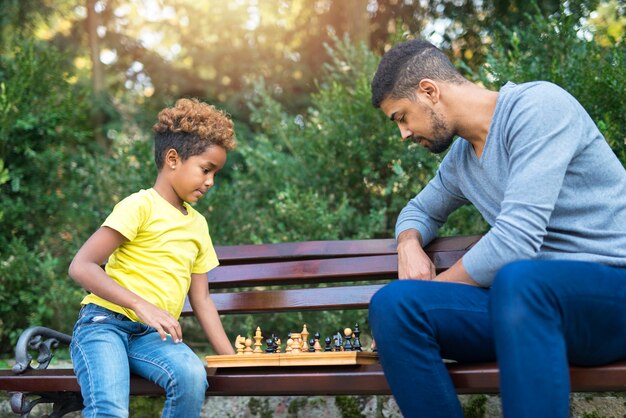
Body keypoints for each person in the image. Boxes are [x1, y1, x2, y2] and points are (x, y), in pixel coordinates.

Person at [367, 39, 626, 417]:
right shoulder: (460, 162)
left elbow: (516, 242)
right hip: (523, 309)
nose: (404, 134)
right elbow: (418, 210)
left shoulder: (538, 107)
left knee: (520, 279)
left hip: (607, 296)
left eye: (402, 117)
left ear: (429, 91)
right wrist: (408, 243)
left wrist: (435, 286)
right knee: (394, 306)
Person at [68, 98, 236, 417]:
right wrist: (140, 304)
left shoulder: (198, 225)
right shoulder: (139, 206)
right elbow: (82, 265)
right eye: (205, 169)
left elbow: (201, 300)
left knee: (191, 376)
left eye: (215, 173)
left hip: (151, 338)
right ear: (173, 159)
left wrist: (233, 361)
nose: (210, 181)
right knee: (109, 409)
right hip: (104, 325)